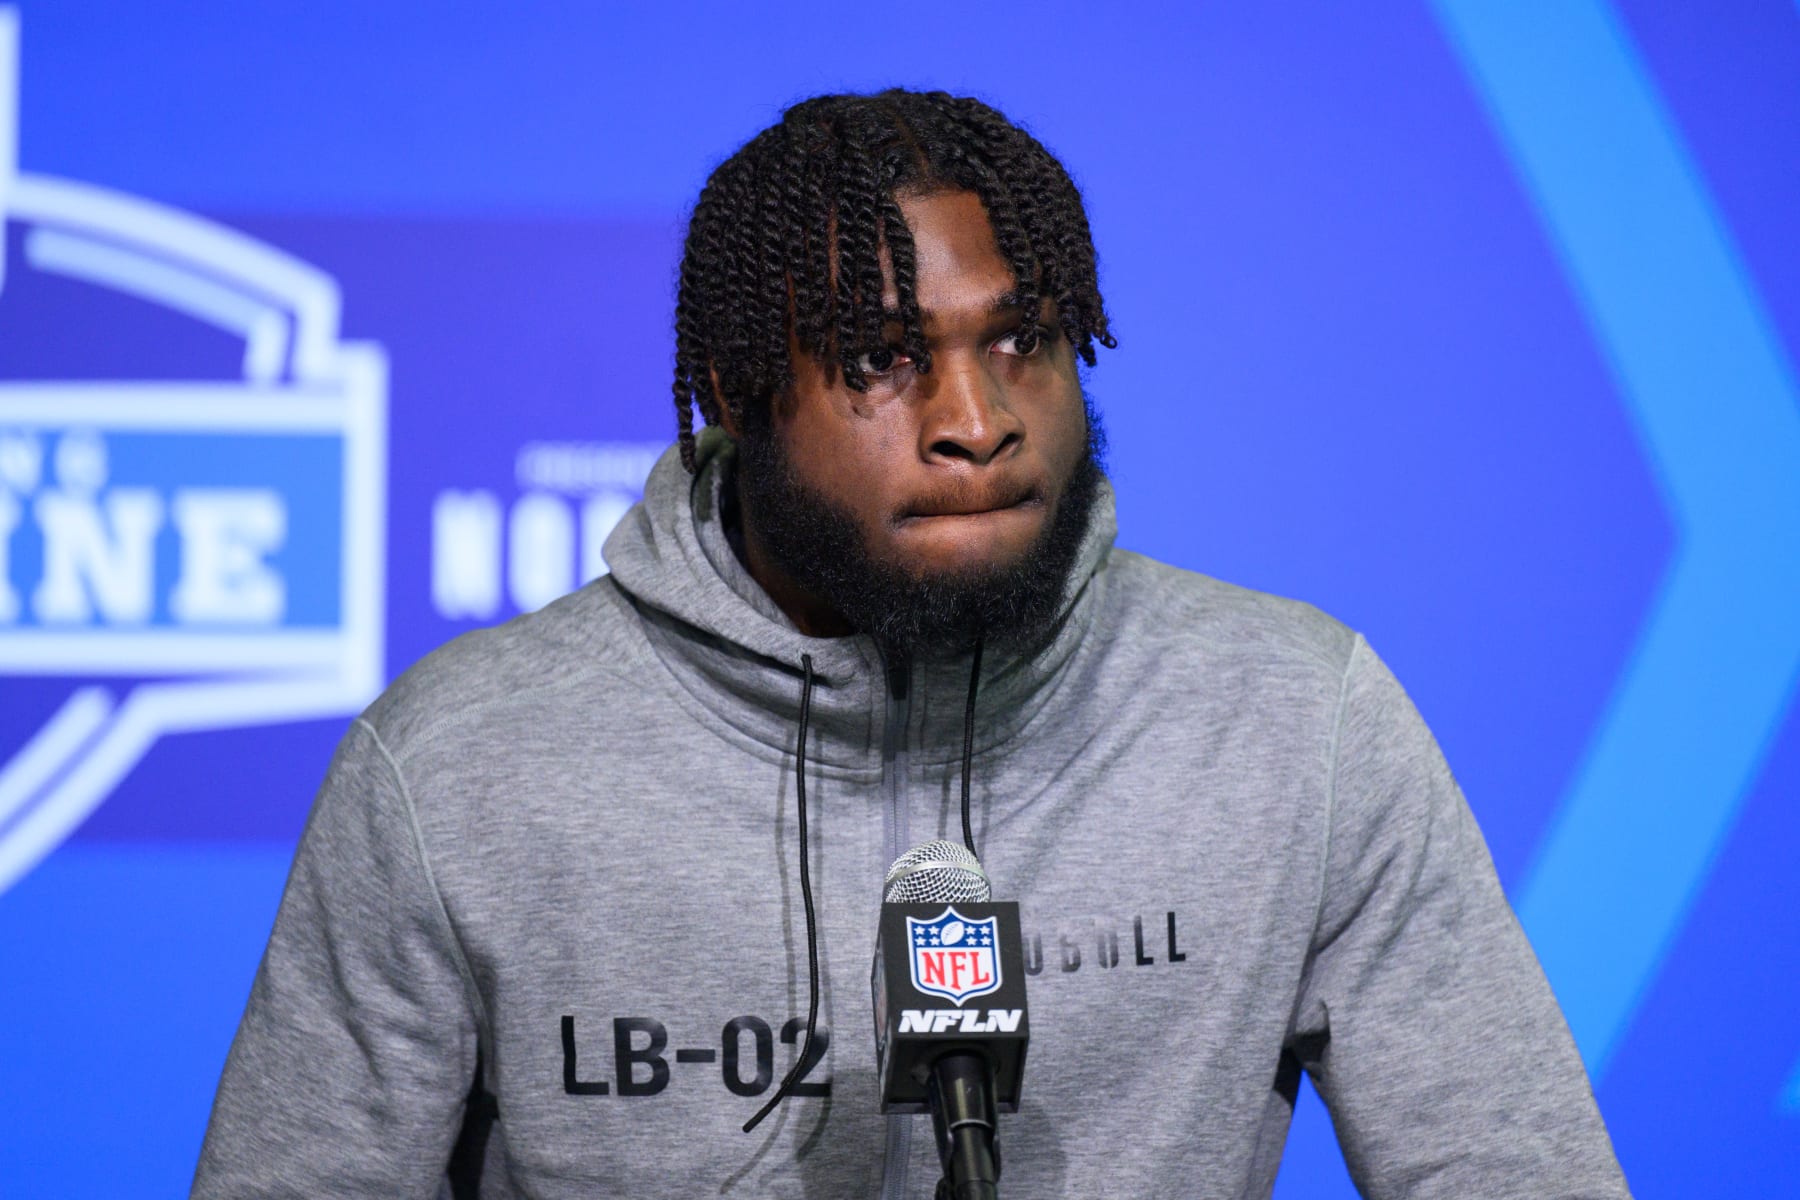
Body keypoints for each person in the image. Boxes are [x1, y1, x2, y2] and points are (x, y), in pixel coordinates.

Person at [195, 90, 1630, 1198]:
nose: (977, 418)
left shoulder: (1291, 721)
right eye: (884, 358)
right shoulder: (462, 772)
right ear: (733, 392)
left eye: (1024, 343)